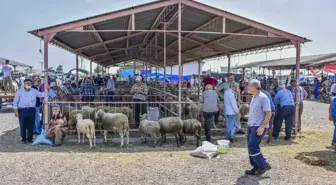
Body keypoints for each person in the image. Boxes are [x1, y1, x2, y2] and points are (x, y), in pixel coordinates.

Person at [245, 79, 272, 176]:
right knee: (250, 147)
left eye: (249, 86)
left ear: (254, 87)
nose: (247, 88)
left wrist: (262, 127)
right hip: (251, 125)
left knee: (253, 146)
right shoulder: (254, 97)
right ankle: (256, 166)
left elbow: (269, 114)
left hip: (258, 126)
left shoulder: (263, 97)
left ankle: (263, 165)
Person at [13, 79, 44, 144]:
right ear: (24, 84)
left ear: (31, 84)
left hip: (31, 110)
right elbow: (15, 102)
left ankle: (30, 139)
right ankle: (23, 139)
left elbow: (41, 95)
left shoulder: (34, 91)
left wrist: (48, 89)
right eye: (27, 83)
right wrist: (16, 111)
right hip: (22, 110)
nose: (28, 85)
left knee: (31, 125)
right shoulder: (19, 91)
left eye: (29, 83)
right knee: (22, 125)